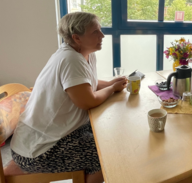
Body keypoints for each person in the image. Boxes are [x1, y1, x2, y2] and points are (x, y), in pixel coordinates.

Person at [10, 12, 127, 183]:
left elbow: (86, 84)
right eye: (95, 32)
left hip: (56, 134)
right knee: (107, 154)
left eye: (100, 30)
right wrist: (111, 89)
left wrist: (110, 84)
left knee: (108, 134)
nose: (102, 35)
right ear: (76, 38)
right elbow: (87, 101)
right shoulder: (70, 59)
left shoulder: (86, 54)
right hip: (37, 149)